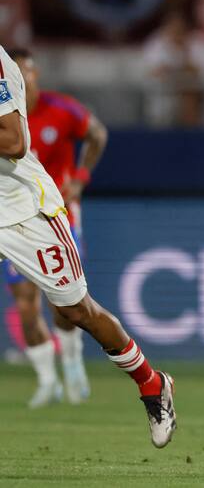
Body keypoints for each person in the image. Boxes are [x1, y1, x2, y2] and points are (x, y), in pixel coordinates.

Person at [0, 45, 176, 448]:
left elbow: (12, 143)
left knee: (74, 309)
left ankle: (151, 384)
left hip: (26, 211)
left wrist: (78, 176)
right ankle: (48, 380)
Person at [3, 48, 107, 408]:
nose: (25, 80)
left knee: (62, 305)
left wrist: (79, 178)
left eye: (28, 73)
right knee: (25, 305)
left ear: (33, 76)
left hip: (57, 213)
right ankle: (47, 381)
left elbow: (98, 134)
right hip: (13, 218)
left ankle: (72, 357)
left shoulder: (60, 109)